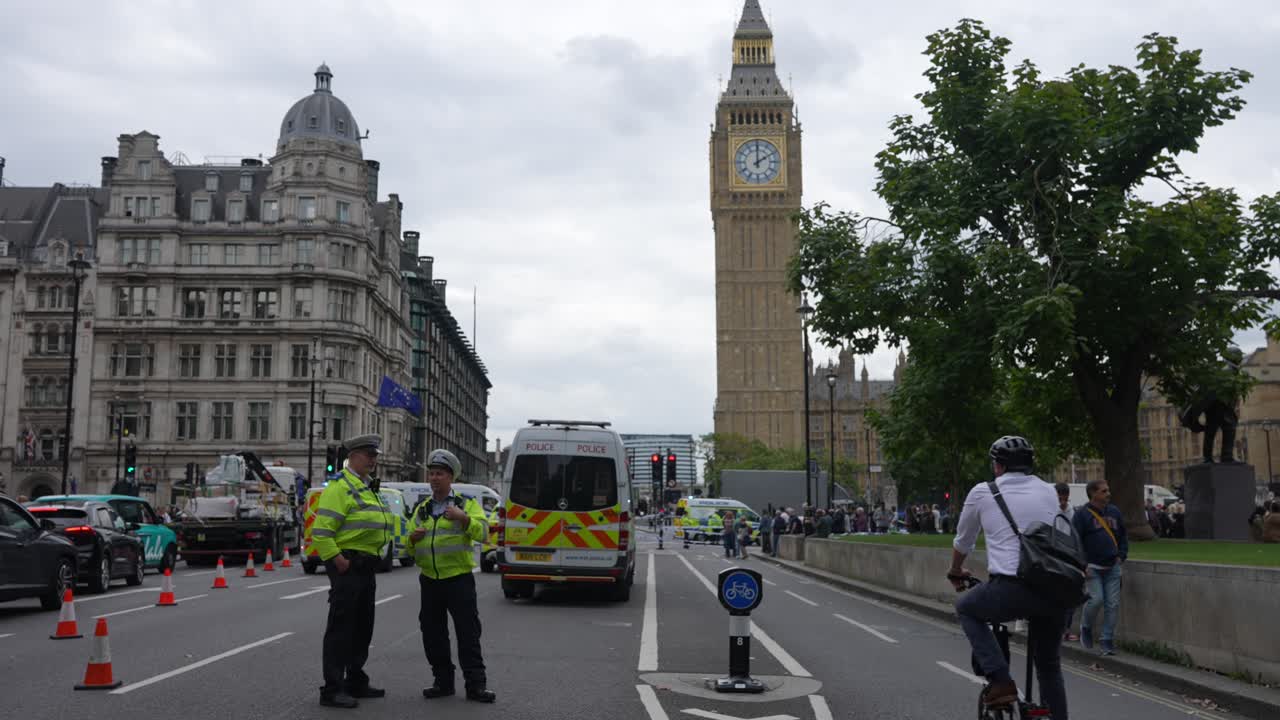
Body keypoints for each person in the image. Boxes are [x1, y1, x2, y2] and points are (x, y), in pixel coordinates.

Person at [948, 435, 1068, 719]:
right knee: (1049, 664)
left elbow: (963, 541)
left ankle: (1001, 681)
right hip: (1056, 590)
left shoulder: (983, 491)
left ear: (998, 466)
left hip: (1011, 589)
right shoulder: (1049, 490)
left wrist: (955, 571)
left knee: (967, 608)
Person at [311, 434, 395, 709]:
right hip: (349, 566)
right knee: (341, 628)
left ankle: (355, 680)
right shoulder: (340, 487)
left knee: (362, 627)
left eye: (375, 456)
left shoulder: (368, 487)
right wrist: (338, 560)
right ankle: (332, 688)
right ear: (353, 456)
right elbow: (321, 533)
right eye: (369, 455)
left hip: (367, 565)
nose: (373, 460)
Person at [409, 449, 495, 703]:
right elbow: (409, 545)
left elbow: (483, 533)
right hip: (430, 580)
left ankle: (476, 686)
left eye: (440, 474)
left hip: (458, 579)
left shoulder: (465, 504)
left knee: (468, 634)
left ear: (451, 477)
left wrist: (464, 519)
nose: (434, 478)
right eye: (432, 473)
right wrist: (411, 540)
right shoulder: (422, 509)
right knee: (433, 634)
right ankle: (443, 682)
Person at [1072, 479, 1127, 656]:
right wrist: (1082, 565)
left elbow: (1123, 536)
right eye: (1104, 491)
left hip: (1113, 566)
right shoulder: (1081, 515)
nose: (1108, 494)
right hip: (1092, 567)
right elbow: (1075, 542)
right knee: (1096, 600)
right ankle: (1086, 627)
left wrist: (1121, 555)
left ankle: (1106, 640)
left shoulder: (1114, 512)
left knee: (1113, 604)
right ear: (1093, 494)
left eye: (1107, 490)